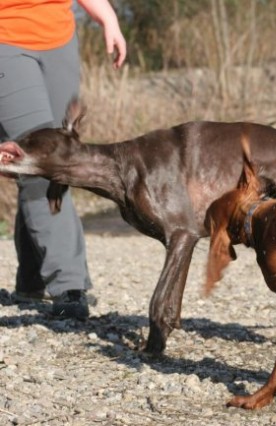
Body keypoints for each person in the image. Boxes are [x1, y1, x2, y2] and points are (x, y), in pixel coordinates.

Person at [0, 0, 127, 320]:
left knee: (60, 159)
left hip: (59, 39)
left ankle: (34, 279)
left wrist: (106, 17)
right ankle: (67, 283)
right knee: (42, 163)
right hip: (5, 39)